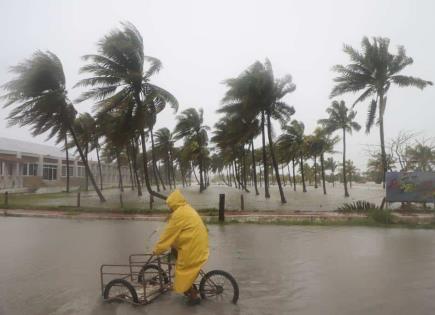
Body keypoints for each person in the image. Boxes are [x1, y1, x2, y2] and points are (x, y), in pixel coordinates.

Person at [153, 189, 209, 305]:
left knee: (182, 271)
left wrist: (157, 250)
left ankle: (193, 296)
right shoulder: (186, 208)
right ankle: (190, 285)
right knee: (176, 253)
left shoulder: (178, 214)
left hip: (193, 247)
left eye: (170, 206)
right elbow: (179, 231)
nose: (169, 208)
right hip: (199, 244)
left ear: (174, 203)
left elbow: (168, 235)